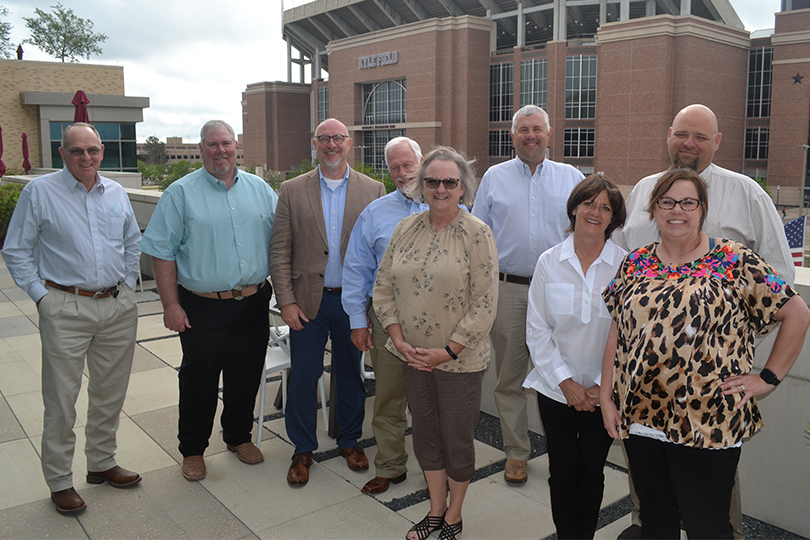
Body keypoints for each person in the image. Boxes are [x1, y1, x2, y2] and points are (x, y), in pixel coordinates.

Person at [612, 103, 796, 539]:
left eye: (700, 137)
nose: (689, 144)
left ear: (716, 142)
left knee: (710, 516)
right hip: (646, 395)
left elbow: (783, 282)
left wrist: (748, 357)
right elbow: (622, 272)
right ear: (668, 136)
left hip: (710, 400)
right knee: (652, 509)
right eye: (682, 134)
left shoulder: (747, 194)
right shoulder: (642, 191)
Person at [2, 123, 142, 514]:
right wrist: (41, 297)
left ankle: (101, 462)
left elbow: (133, 241)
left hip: (116, 306)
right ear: (62, 153)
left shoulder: (115, 192)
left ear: (101, 152)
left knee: (109, 392)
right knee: (61, 400)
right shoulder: (39, 192)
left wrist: (128, 286)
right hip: (64, 305)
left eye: (93, 150)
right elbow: (16, 249)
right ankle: (60, 480)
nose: (86, 158)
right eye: (77, 151)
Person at [140, 120, 277, 481]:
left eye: (226, 144)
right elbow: (162, 253)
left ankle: (238, 437)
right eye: (212, 145)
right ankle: (193, 449)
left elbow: (281, 242)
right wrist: (171, 305)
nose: (221, 151)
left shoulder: (261, 190)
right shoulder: (179, 194)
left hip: (253, 301)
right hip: (202, 305)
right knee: (199, 379)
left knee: (245, 374)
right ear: (201, 149)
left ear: (237, 148)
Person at [374, 146, 498, 540]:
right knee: (426, 436)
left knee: (456, 440)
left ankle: (454, 517)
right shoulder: (404, 229)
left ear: (463, 187)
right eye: (432, 181)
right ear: (420, 185)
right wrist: (398, 339)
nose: (440, 188)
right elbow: (382, 289)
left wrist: (449, 351)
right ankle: (434, 510)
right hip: (412, 357)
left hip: (458, 362)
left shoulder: (477, 233)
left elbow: (485, 302)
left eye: (450, 181)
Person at [270, 118, 386, 487]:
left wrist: (369, 306)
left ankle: (349, 441)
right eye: (325, 139)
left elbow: (378, 250)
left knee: (351, 375)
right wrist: (285, 300)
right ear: (314, 143)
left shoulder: (373, 189)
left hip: (353, 304)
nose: (332, 145)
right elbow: (280, 250)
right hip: (306, 304)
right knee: (304, 374)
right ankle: (302, 449)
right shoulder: (291, 190)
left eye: (338, 138)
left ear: (349, 143)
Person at [472, 104, 584, 484]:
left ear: (549, 134)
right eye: (523, 129)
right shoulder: (493, 177)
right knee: (510, 378)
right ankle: (516, 452)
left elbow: (590, 229)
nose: (530, 135)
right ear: (513, 135)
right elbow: (478, 234)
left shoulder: (571, 177)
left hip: (559, 291)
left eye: (537, 129)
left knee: (565, 373)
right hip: (510, 291)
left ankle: (567, 454)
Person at [523, 175, 627, 539]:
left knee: (592, 471)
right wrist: (565, 382)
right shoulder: (549, 262)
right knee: (562, 470)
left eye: (605, 207)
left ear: (613, 218)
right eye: (589, 203)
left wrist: (601, 387)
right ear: (574, 208)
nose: (595, 212)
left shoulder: (625, 266)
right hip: (556, 389)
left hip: (605, 392)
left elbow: (629, 334)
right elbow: (537, 329)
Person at [341, 136, 428, 495]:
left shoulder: (454, 209)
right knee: (389, 398)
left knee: (432, 404)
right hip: (386, 321)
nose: (402, 172)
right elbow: (357, 269)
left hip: (434, 325)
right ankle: (391, 466)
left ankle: (437, 470)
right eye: (395, 166)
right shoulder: (375, 213)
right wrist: (358, 323)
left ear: (422, 161)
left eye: (408, 164)